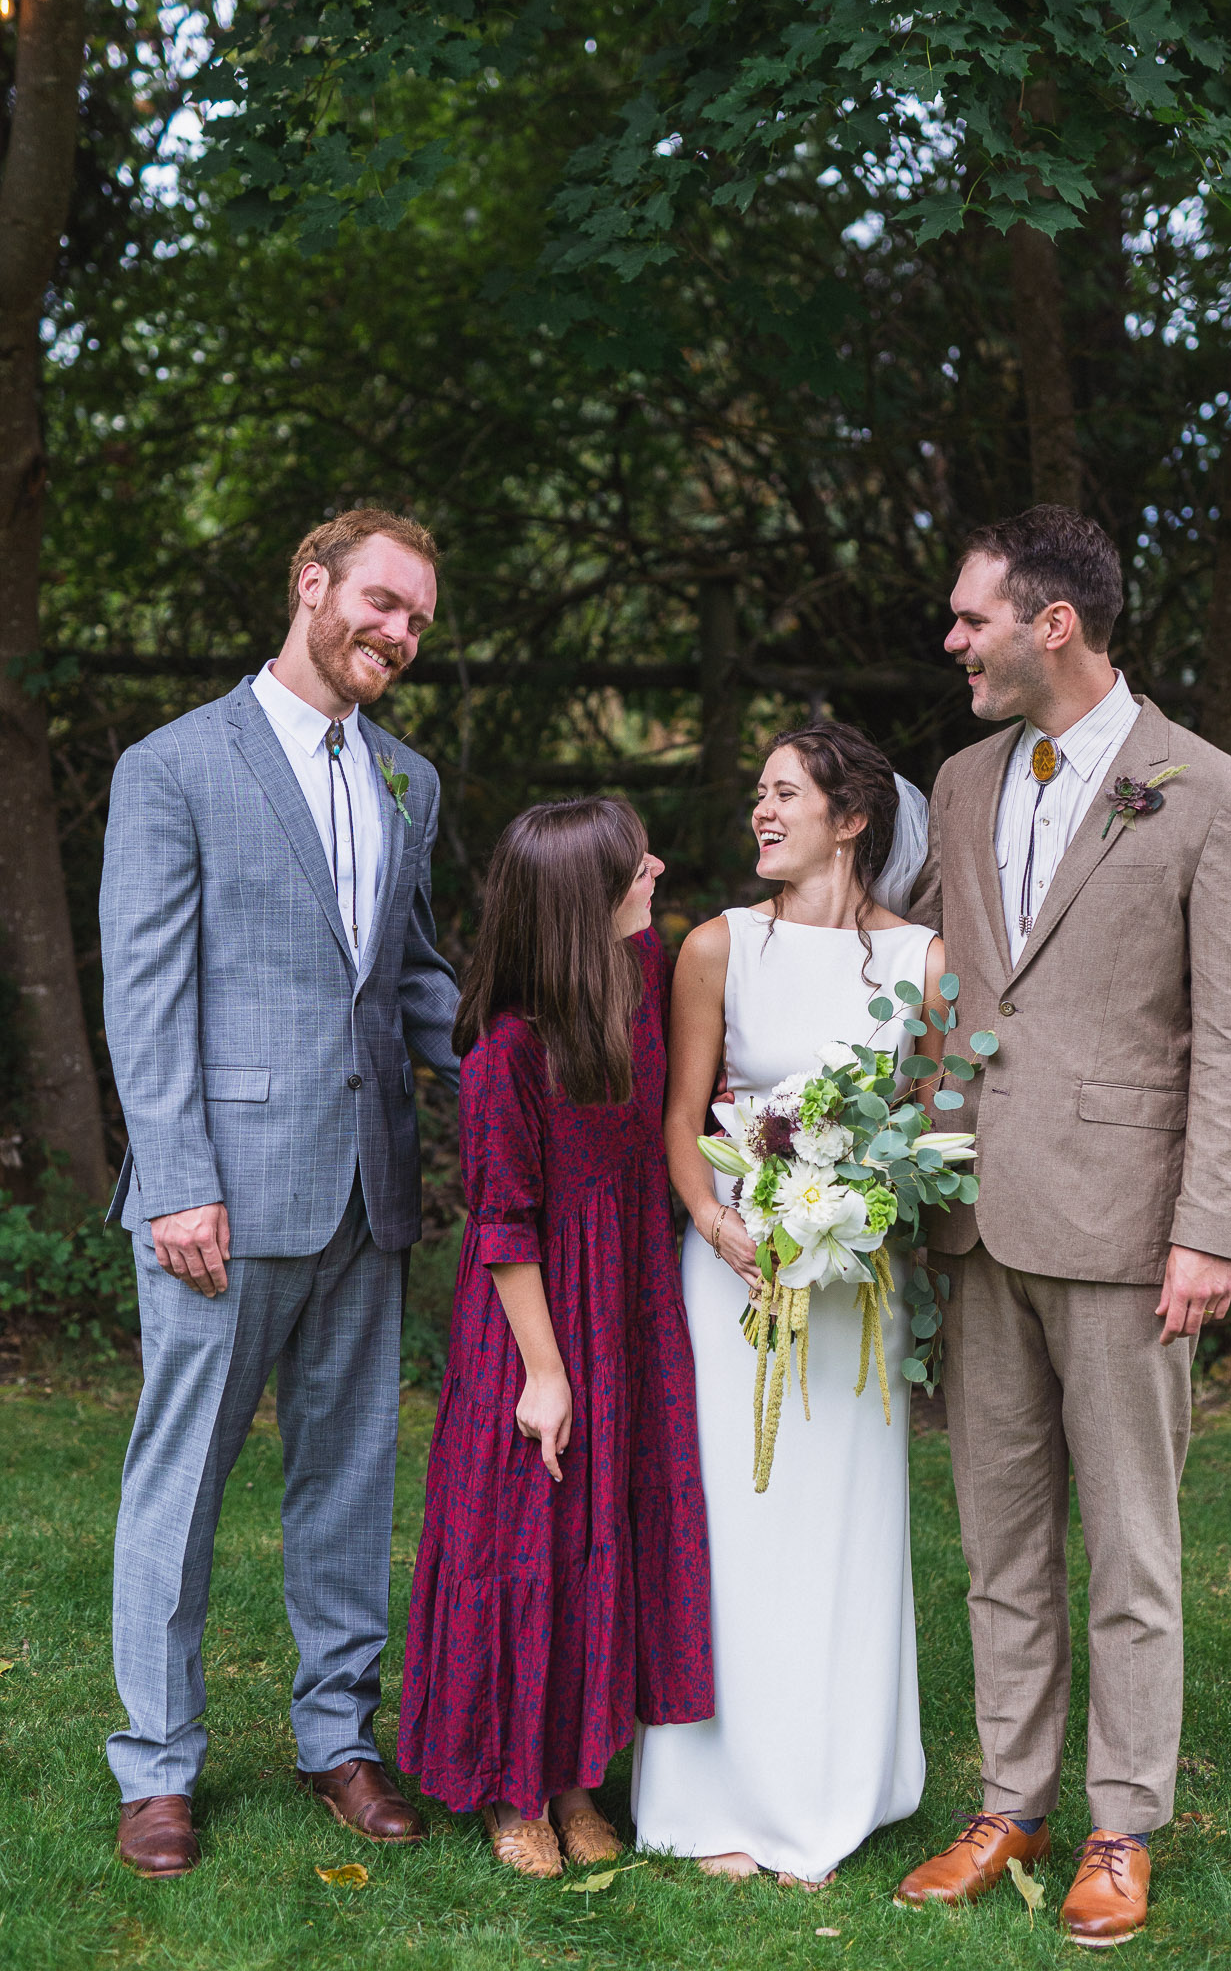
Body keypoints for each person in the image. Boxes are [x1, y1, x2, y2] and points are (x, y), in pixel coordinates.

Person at [898, 505, 1231, 1946]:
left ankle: (1121, 1823)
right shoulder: (958, 780)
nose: (952, 640)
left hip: (1129, 1230)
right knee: (999, 1544)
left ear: (1051, 623)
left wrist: (1210, 1228)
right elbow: (936, 975)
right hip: (974, 1219)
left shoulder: (1210, 792)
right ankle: (1012, 1801)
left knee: (1130, 1551)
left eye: (970, 617)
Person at [99, 508, 460, 1879]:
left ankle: (337, 1738)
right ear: (312, 586)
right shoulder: (174, 765)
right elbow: (146, 991)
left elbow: (412, 976)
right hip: (222, 1201)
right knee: (180, 1479)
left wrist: (528, 1078)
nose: (399, 633)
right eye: (383, 601)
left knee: (350, 1477)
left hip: (370, 1188)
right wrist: (177, 1180)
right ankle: (157, 1766)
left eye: (418, 619)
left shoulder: (409, 778)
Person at [632, 721, 944, 1887]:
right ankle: (708, 1793)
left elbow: (930, 1128)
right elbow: (680, 1117)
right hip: (733, 1272)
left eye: (786, 794)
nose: (761, 812)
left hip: (856, 1285)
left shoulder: (924, 960)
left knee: (837, 1530)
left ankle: (830, 1790)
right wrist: (718, 1226)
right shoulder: (718, 944)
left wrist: (864, 1209)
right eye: (758, 793)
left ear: (850, 819)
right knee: (731, 1522)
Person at [399, 799, 713, 1879]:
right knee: (523, 1542)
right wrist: (543, 1373)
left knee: (600, 1535)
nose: (657, 866)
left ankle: (577, 1771)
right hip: (535, 1317)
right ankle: (510, 1786)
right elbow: (502, 1226)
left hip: (628, 1296)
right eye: (634, 864)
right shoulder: (506, 1048)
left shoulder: (643, 977)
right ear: (586, 897)